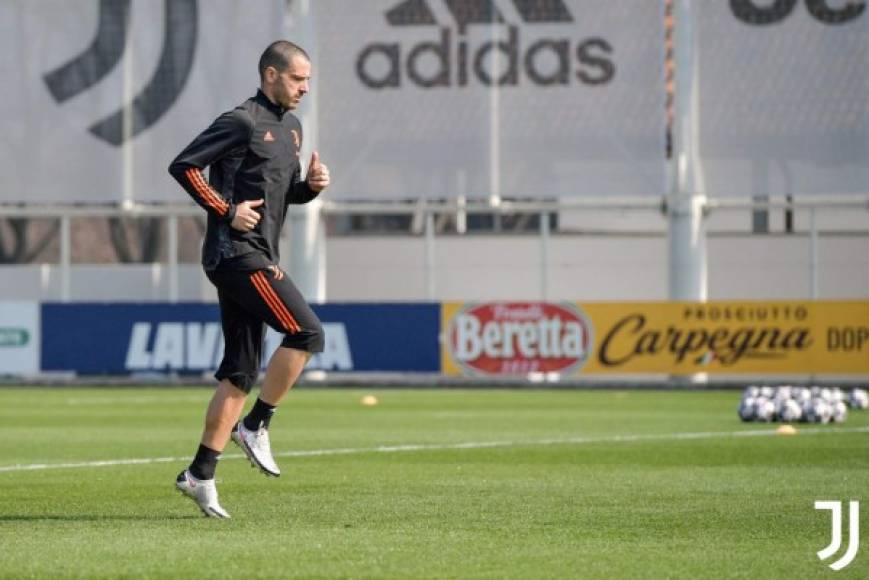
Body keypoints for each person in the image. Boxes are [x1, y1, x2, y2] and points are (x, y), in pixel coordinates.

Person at [167, 40, 329, 518]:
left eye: (308, 81)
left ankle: (200, 473)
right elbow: (184, 166)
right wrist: (224, 209)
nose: (304, 88)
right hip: (235, 254)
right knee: (306, 331)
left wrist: (310, 189)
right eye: (299, 79)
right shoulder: (242, 120)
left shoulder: (292, 128)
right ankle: (256, 424)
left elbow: (282, 195)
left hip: (255, 253)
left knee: (240, 371)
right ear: (271, 75)